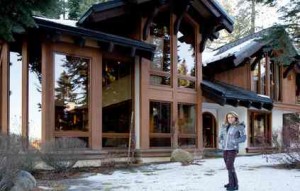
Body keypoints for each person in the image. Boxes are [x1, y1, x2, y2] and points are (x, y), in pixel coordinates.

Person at [219, 111, 246, 191]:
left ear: (235, 118)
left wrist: (234, 141)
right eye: (228, 117)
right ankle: (234, 184)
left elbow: (243, 138)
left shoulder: (239, 126)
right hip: (225, 149)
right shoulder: (224, 126)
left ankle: (232, 184)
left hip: (233, 149)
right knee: (229, 166)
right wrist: (221, 141)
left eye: (232, 117)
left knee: (229, 166)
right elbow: (220, 136)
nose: (230, 119)